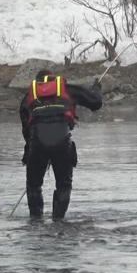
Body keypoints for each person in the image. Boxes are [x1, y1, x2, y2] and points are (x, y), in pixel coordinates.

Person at [19, 70, 102, 219]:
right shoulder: (68, 89)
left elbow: (26, 128)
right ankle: (58, 221)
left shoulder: (29, 96)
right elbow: (96, 103)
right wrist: (96, 89)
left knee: (33, 186)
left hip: (37, 144)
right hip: (62, 143)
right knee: (63, 185)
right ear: (55, 79)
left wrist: (29, 151)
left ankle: (35, 222)